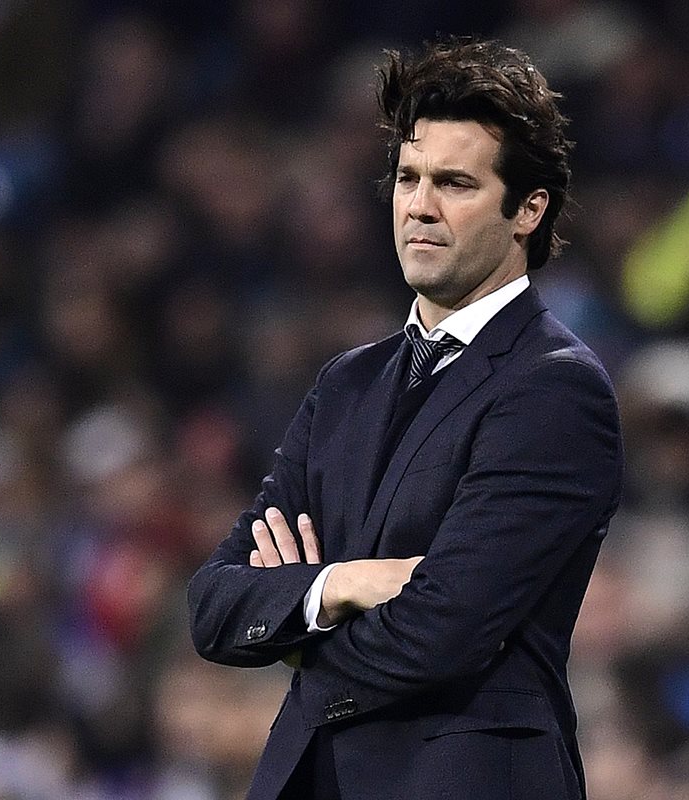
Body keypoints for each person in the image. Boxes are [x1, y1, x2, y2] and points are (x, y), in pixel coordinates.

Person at [188, 37, 623, 800]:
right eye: (408, 178)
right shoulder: (346, 382)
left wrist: (298, 620)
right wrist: (345, 583)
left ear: (528, 209)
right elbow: (216, 604)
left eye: (455, 183)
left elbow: (444, 630)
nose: (419, 205)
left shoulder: (555, 390)